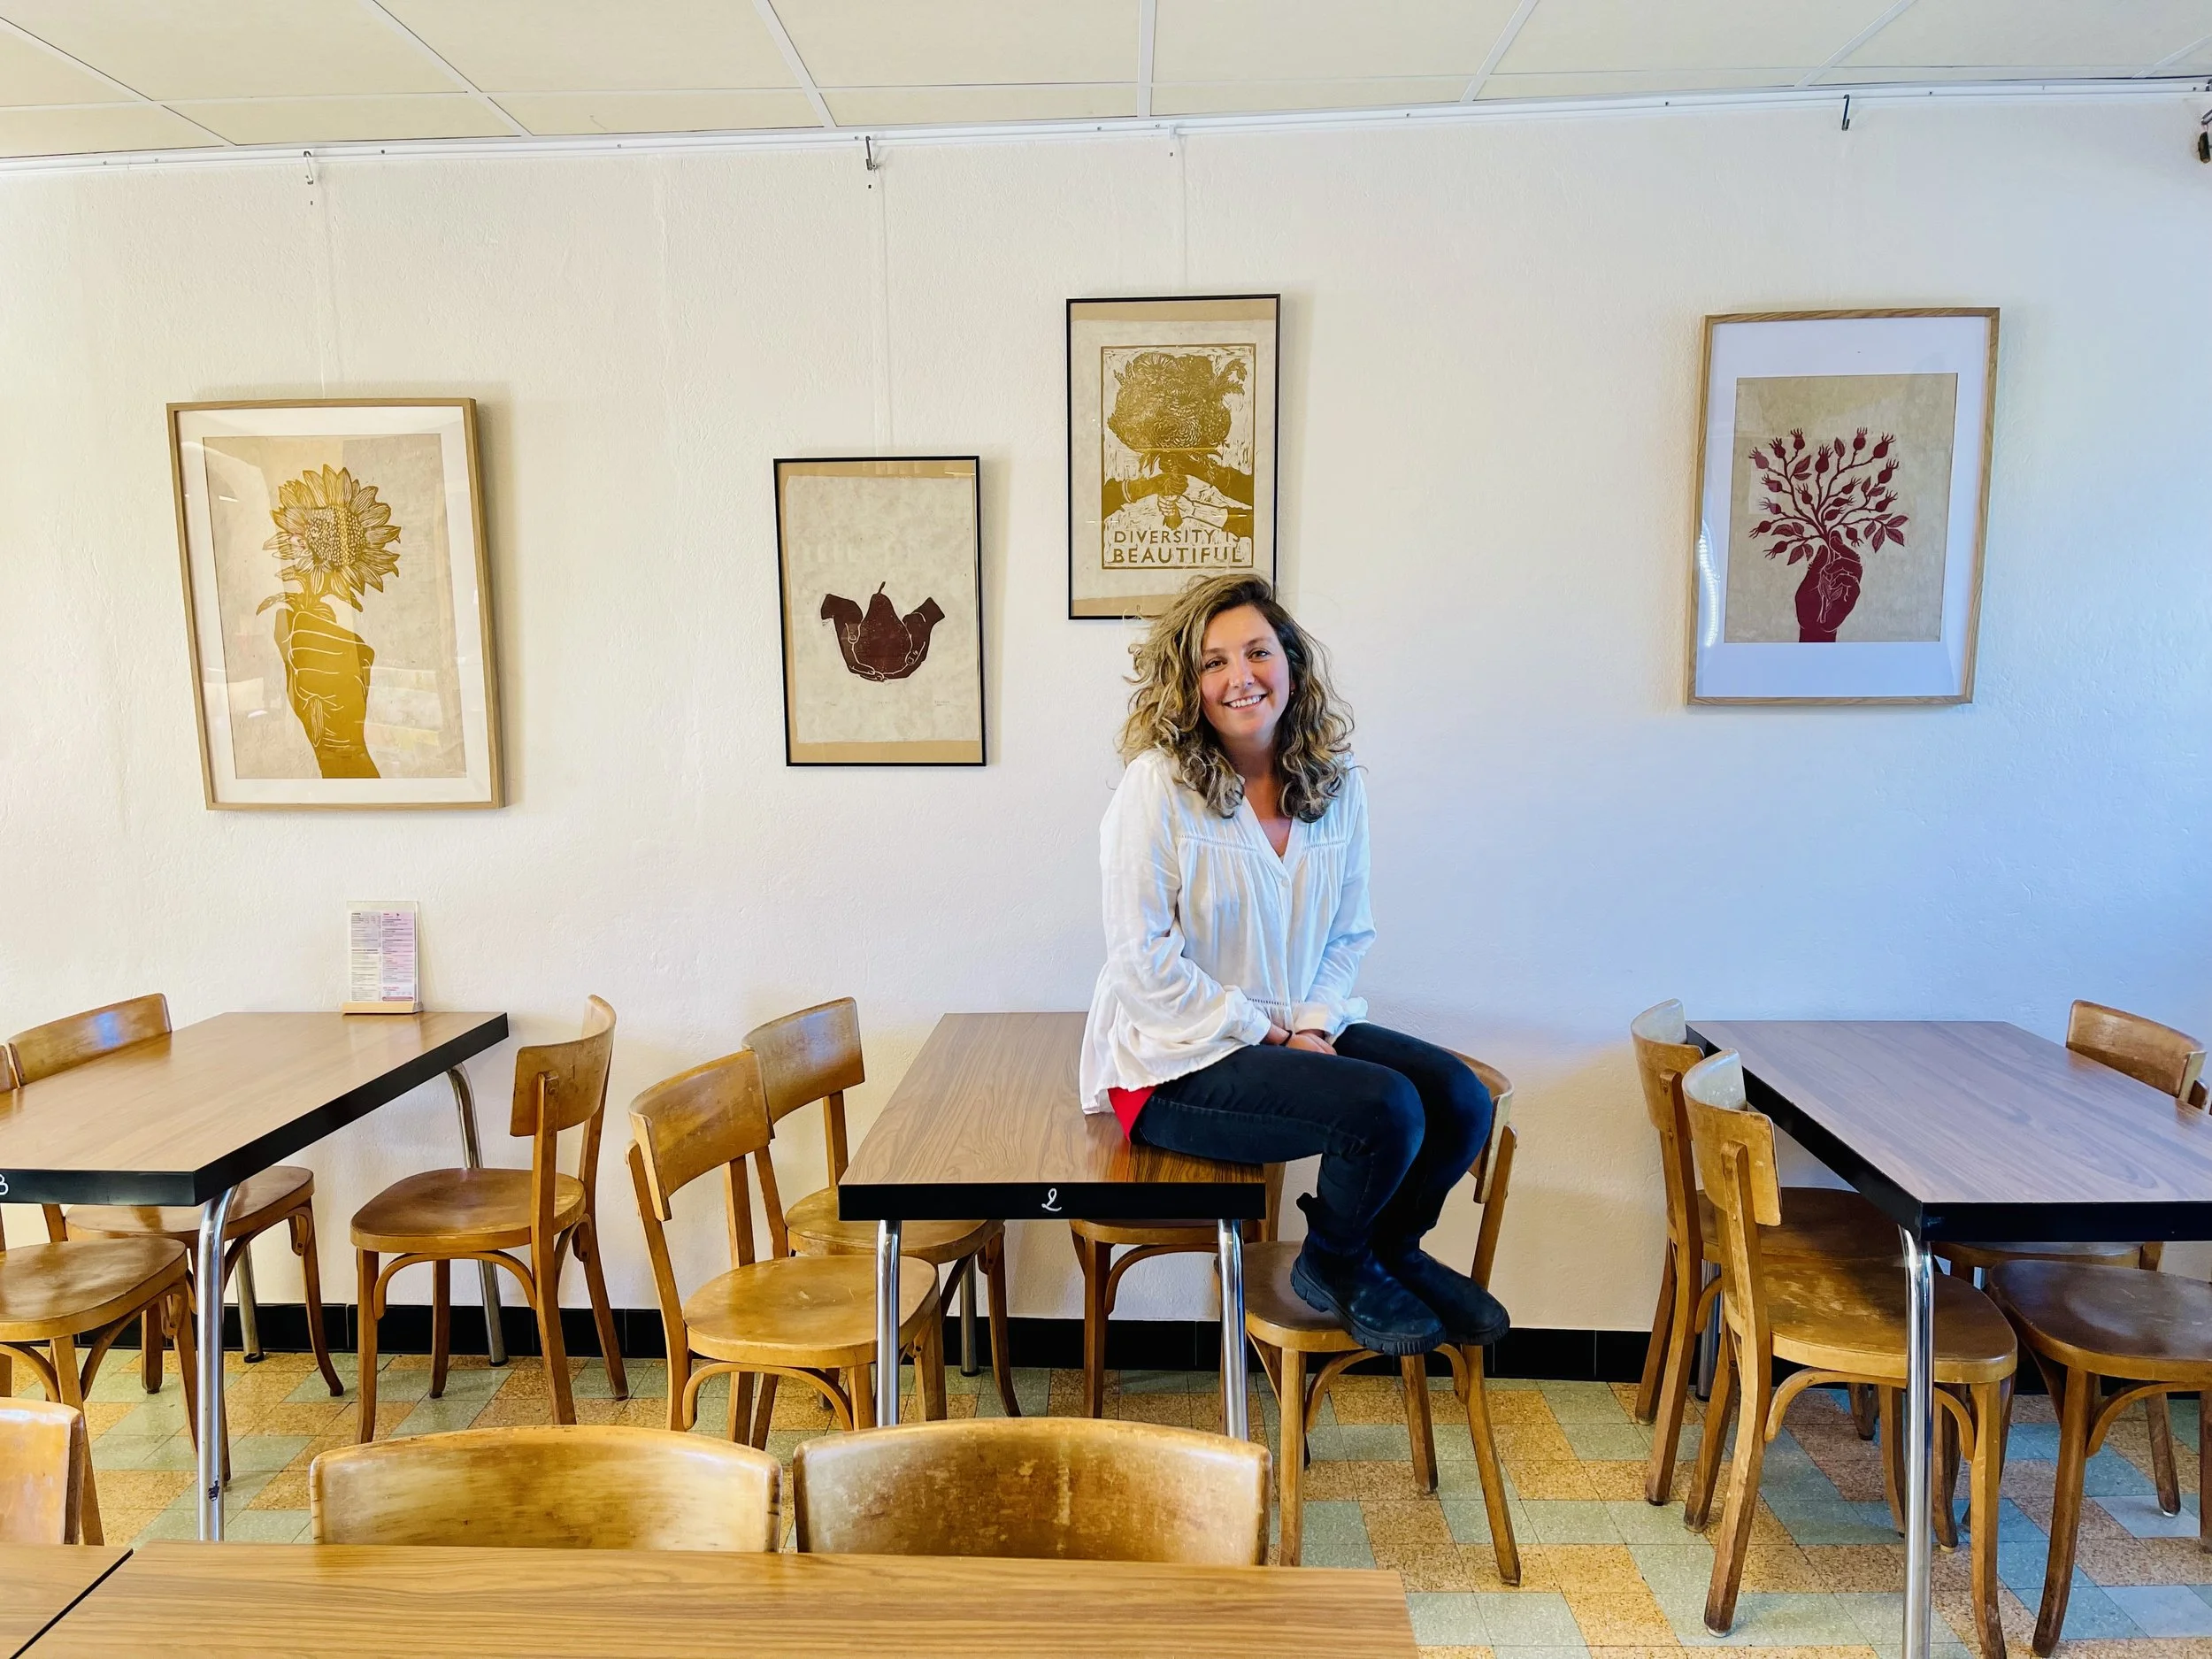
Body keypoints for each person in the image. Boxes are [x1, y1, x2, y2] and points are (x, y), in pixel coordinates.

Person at [1079, 572, 1509, 1357]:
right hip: (1174, 1057)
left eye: (1257, 652)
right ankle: (1333, 1259)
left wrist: (1311, 1026)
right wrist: (1274, 1037)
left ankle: (1391, 1249)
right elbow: (1142, 966)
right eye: (1213, 662)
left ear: (1291, 663)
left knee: (1457, 1098)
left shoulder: (1336, 785)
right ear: (1187, 685)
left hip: (1289, 1026)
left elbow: (1348, 933)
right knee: (1384, 1108)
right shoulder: (1158, 787)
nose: (1240, 676)